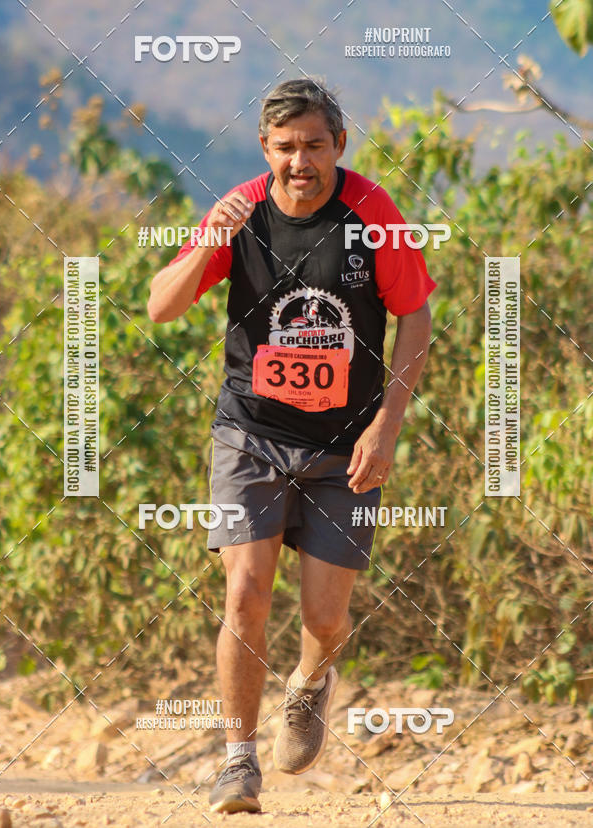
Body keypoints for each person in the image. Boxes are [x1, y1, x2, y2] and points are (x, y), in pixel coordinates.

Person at [147, 77, 436, 814]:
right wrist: (210, 240)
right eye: (285, 147)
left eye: (314, 146)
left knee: (323, 618)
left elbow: (414, 317)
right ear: (264, 149)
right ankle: (236, 762)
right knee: (244, 595)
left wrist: (386, 427)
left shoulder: (374, 214)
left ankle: (309, 684)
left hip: (346, 448)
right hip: (251, 433)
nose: (299, 161)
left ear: (339, 145)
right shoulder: (238, 212)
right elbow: (162, 306)